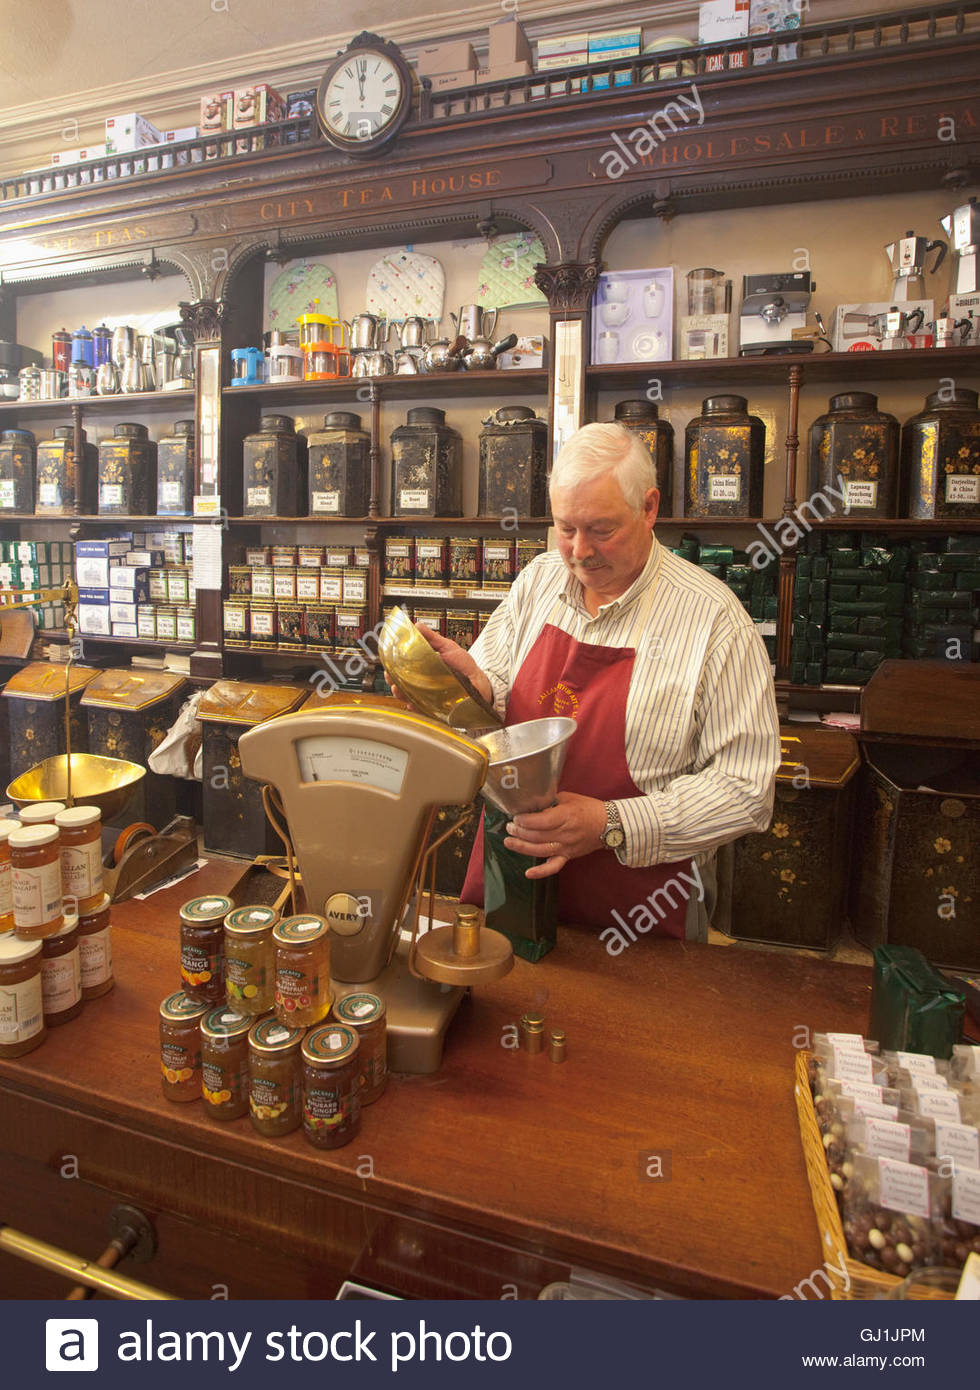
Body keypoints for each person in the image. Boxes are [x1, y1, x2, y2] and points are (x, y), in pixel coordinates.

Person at [418, 421, 782, 940]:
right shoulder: (539, 580)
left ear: (649, 508)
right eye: (566, 528)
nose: (580, 551)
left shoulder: (714, 620)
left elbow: (747, 790)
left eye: (601, 530)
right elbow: (497, 690)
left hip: (642, 908)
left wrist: (610, 824)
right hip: (511, 874)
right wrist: (474, 687)